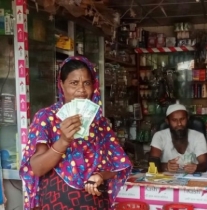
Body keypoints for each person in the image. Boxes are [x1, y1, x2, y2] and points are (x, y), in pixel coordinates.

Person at [19, 56, 132, 210]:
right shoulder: (46, 118)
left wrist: (100, 176)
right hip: (55, 204)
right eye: (74, 83)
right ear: (62, 85)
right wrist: (64, 141)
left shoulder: (99, 123)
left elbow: (116, 165)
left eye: (87, 83)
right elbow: (37, 168)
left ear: (94, 86)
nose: (81, 90)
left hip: (95, 204)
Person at [149, 102, 207, 173]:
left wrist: (196, 167)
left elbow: (204, 164)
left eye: (182, 119)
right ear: (167, 121)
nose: (179, 124)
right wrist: (165, 166)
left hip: (191, 177)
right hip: (167, 179)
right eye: (174, 120)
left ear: (187, 118)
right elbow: (152, 163)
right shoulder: (159, 136)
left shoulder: (198, 136)